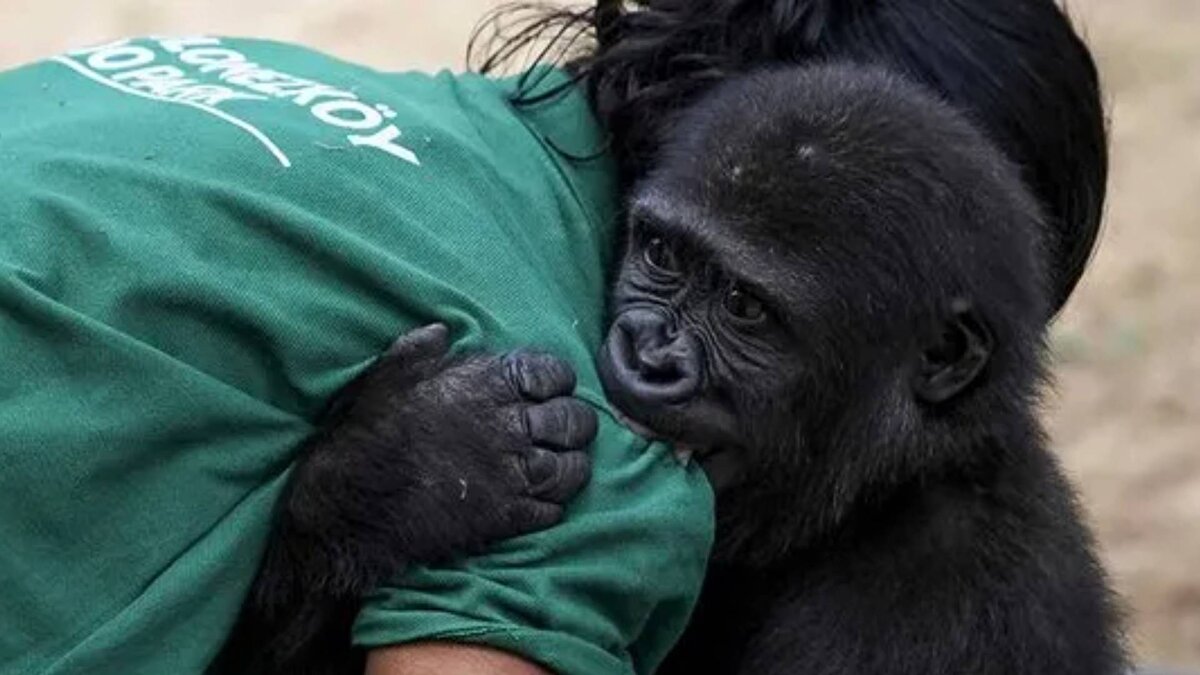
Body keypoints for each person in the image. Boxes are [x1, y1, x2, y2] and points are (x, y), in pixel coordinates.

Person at [0, 2, 1105, 674]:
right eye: (670, 262)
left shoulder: (420, 119)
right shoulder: (576, 409)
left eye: (752, 310)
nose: (653, 356)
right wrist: (316, 539)